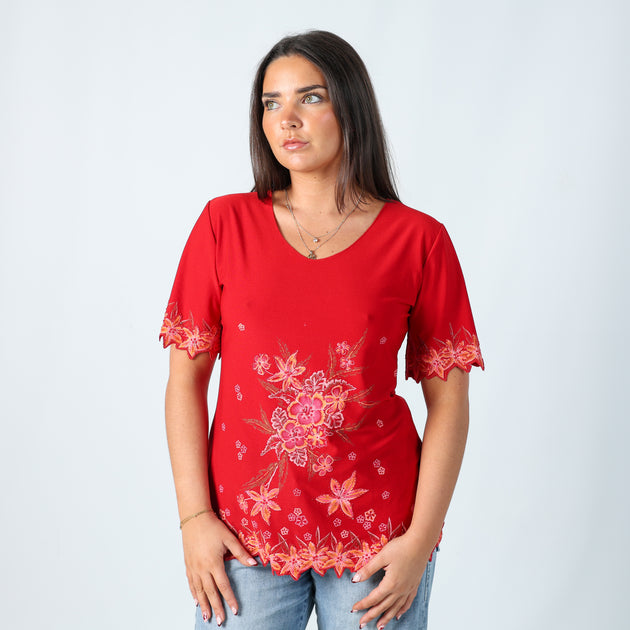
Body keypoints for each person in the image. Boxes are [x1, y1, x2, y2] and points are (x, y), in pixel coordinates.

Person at [160, 30, 483, 630]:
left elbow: (449, 401)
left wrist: (420, 540)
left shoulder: (419, 240)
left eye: (310, 97)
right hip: (243, 533)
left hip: (380, 535)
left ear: (350, 105)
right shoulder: (223, 224)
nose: (287, 119)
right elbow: (185, 381)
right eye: (271, 103)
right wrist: (194, 519)